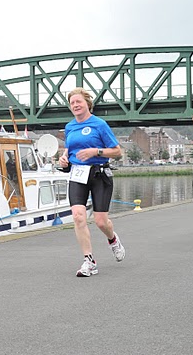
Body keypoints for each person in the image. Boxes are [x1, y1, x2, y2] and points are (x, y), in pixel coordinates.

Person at [58, 88, 125, 277]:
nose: (75, 105)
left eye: (79, 102)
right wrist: (63, 159)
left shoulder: (99, 124)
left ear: (88, 103)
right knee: (78, 216)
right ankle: (89, 261)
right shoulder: (70, 127)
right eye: (72, 103)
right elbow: (69, 150)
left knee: (101, 221)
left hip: (99, 174)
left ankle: (113, 240)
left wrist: (96, 152)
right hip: (77, 174)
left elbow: (117, 151)